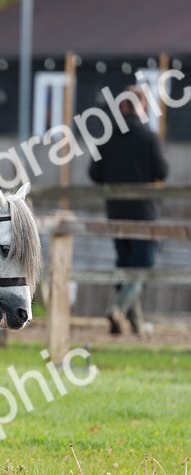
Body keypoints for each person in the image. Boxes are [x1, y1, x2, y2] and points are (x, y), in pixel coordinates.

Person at [89, 86, 169, 335]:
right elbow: (162, 171)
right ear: (142, 107)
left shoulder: (107, 138)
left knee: (125, 267)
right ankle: (118, 310)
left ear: (121, 107)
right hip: (145, 215)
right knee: (142, 267)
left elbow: (95, 174)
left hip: (115, 213)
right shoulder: (149, 137)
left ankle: (136, 325)